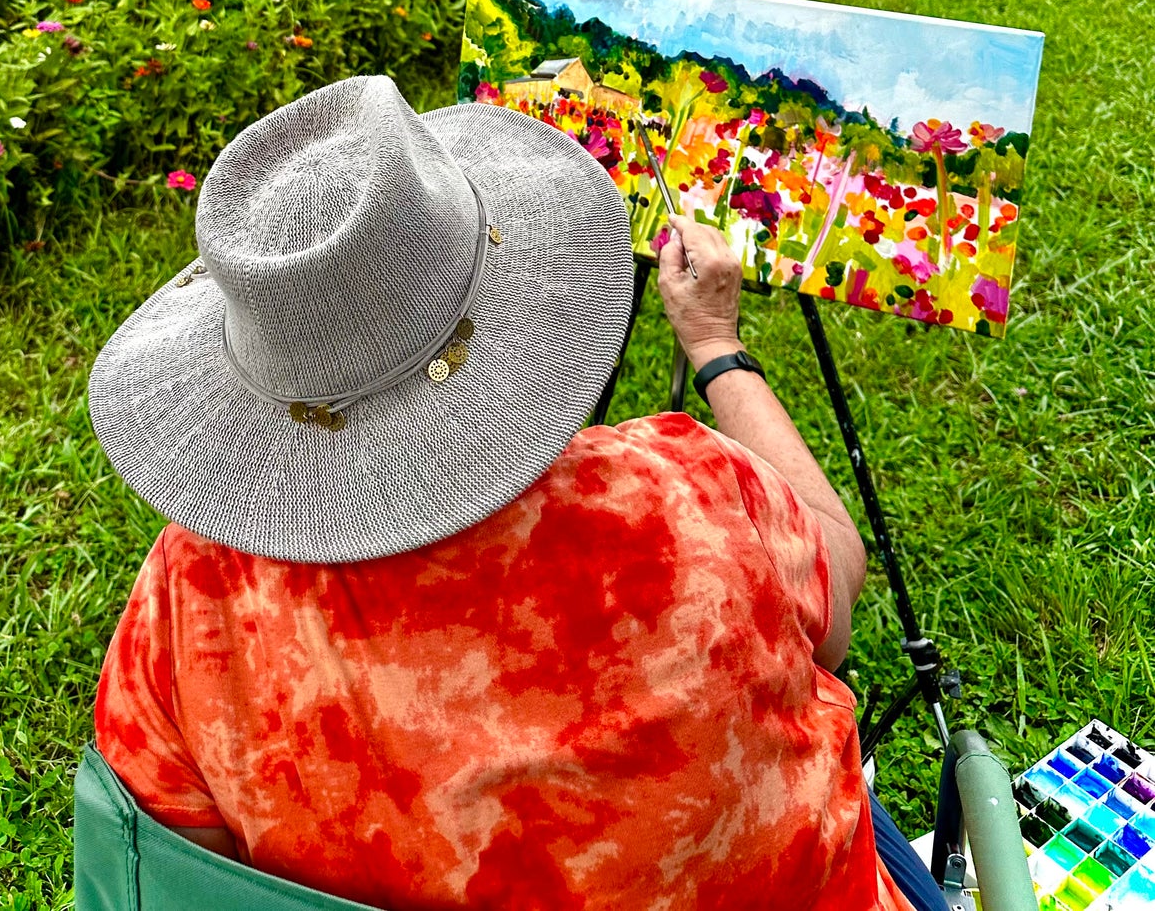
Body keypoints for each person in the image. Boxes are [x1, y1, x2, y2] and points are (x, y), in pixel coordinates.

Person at [88, 74, 945, 911]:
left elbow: (182, 863)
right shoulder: (684, 490)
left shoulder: (190, 595)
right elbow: (833, 601)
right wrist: (714, 343)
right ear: (513, 280)